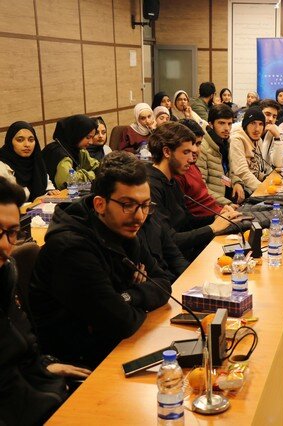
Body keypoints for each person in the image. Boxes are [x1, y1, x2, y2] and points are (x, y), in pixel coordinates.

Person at [29, 152, 172, 369]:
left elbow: (163, 285)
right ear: (99, 204)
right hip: (81, 364)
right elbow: (122, 322)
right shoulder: (71, 248)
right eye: (128, 205)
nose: (139, 216)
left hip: (116, 345)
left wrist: (127, 296)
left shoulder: (124, 229)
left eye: (145, 205)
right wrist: (138, 299)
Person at [0, 176, 91, 425]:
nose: (5, 245)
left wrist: (43, 365)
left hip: (38, 397)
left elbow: (17, 349)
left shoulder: (6, 277)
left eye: (12, 233)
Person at [147, 121, 240, 260]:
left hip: (186, 253)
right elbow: (169, 241)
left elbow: (187, 222)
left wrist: (216, 216)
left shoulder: (171, 179)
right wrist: (212, 228)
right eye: (186, 152)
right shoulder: (150, 187)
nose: (191, 159)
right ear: (166, 152)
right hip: (175, 260)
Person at [175, 119, 225, 217]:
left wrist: (223, 208)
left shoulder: (193, 166)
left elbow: (205, 198)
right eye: (192, 144)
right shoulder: (178, 173)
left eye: (198, 144)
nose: (195, 150)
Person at [199, 104, 245, 206]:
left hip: (226, 198)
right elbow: (201, 189)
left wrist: (237, 182)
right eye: (221, 123)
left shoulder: (225, 142)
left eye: (229, 124)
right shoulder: (202, 147)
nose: (227, 128)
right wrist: (227, 204)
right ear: (211, 124)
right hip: (213, 206)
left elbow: (229, 173)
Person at [230, 107, 283, 194]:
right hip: (243, 188)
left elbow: (254, 170)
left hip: (253, 186)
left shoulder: (258, 141)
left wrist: (267, 178)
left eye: (261, 124)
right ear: (245, 125)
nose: (257, 129)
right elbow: (242, 173)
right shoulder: (236, 140)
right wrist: (263, 189)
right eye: (253, 123)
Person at [41, 114, 100, 189]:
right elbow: (67, 181)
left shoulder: (78, 150)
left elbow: (95, 165)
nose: (91, 142)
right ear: (76, 134)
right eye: (88, 137)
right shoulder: (60, 154)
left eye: (92, 137)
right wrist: (92, 175)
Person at [0, 121, 55, 201]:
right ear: (10, 141)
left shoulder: (36, 160)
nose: (27, 144)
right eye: (20, 140)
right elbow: (5, 203)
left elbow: (47, 185)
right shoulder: (2, 165)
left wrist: (50, 192)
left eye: (31, 140)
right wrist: (33, 203)